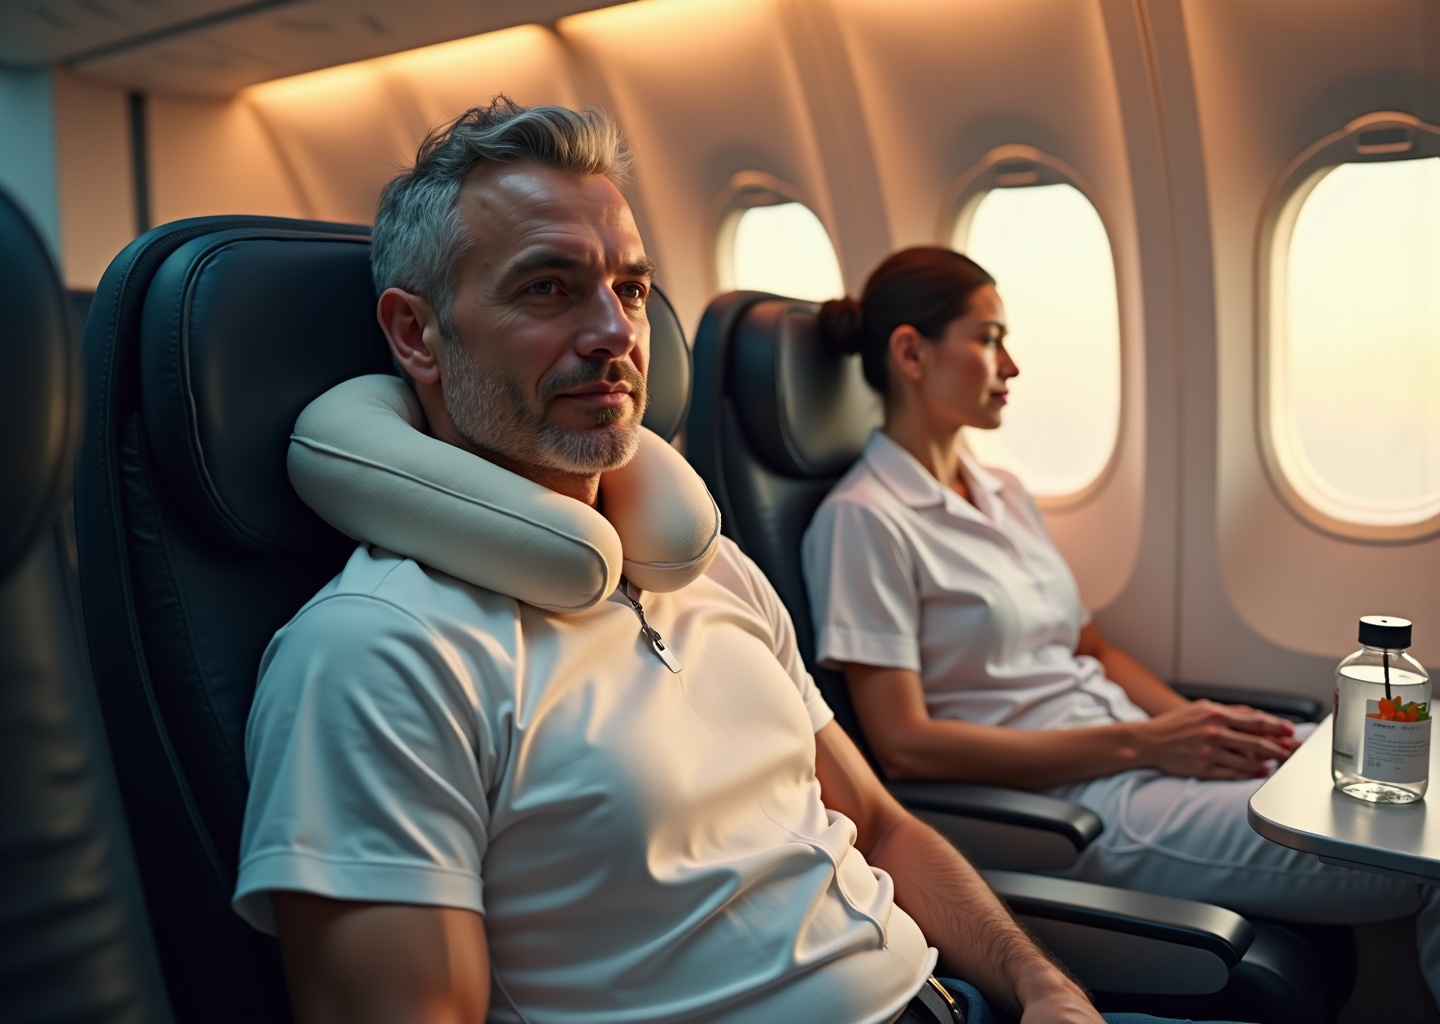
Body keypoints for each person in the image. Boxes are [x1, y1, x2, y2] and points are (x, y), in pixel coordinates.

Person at [229, 98, 1220, 1024]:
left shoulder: (708, 568)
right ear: (416, 335)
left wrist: (1043, 987)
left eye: (630, 288)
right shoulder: (377, 654)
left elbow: (880, 827)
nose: (617, 334)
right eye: (548, 287)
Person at [800, 246, 1440, 1009]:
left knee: (1419, 758)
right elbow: (901, 745)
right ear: (911, 352)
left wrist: (1202, 727)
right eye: (990, 338)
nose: (1012, 366)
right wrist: (1146, 743)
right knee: (1419, 852)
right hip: (1083, 807)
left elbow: (1088, 646)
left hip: (1138, 751)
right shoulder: (862, 520)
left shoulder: (1000, 490)